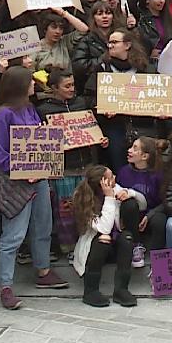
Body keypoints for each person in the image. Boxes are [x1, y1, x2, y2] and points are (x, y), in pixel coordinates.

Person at [0, 66, 70, 310]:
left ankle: (43, 271)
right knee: (13, 234)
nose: (34, 85)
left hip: (40, 178)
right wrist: (19, 169)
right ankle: (6, 286)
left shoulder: (31, 109)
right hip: (16, 182)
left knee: (43, 225)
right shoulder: (4, 114)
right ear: (20, 86)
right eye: (30, 82)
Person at [37, 69, 108, 256]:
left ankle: (89, 246)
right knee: (66, 211)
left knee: (90, 208)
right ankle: (69, 249)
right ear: (54, 88)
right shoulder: (44, 110)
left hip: (87, 166)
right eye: (67, 86)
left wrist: (100, 140)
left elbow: (93, 128)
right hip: (64, 169)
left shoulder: (81, 103)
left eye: (73, 85)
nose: (72, 89)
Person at [83, 30, 161, 171]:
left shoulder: (146, 69)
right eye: (109, 42)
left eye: (114, 42)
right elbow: (89, 97)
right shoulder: (101, 69)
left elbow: (159, 96)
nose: (110, 45)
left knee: (148, 169)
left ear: (127, 45)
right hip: (115, 129)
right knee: (120, 169)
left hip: (144, 127)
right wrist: (100, 107)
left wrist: (161, 110)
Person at [70, 166, 139, 307]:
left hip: (115, 247)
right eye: (111, 177)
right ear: (103, 184)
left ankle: (121, 290)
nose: (115, 178)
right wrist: (109, 198)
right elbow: (104, 228)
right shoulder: (84, 201)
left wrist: (129, 193)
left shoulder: (116, 188)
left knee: (126, 238)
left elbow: (142, 202)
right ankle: (90, 290)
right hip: (95, 249)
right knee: (104, 238)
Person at [115, 137, 163, 264]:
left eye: (135, 148)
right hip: (131, 218)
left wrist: (149, 215)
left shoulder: (158, 174)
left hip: (151, 215)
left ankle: (157, 258)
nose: (129, 150)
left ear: (145, 156)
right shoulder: (124, 171)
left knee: (160, 220)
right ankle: (136, 245)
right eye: (131, 147)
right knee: (130, 204)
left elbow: (165, 202)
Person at [71, 1, 117, 92]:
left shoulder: (122, 36)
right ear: (93, 18)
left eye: (108, 13)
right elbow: (79, 67)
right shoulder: (87, 40)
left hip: (118, 84)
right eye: (100, 14)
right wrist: (103, 59)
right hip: (94, 88)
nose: (104, 16)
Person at [33, 8, 89, 73]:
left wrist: (63, 13)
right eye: (54, 27)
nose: (57, 31)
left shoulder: (64, 41)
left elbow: (84, 30)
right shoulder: (36, 46)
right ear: (45, 29)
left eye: (61, 28)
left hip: (66, 79)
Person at [135, 0, 172, 64]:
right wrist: (149, 53)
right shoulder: (140, 20)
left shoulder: (169, 20)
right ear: (147, 0)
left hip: (168, 61)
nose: (161, 1)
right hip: (149, 63)